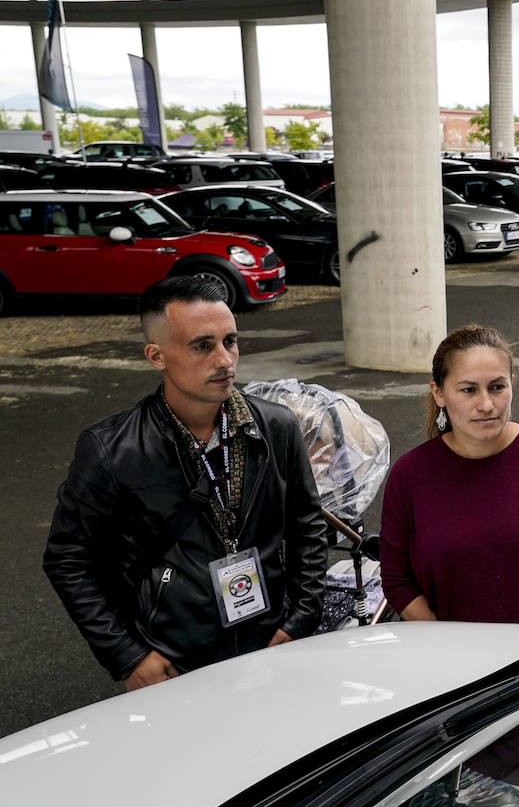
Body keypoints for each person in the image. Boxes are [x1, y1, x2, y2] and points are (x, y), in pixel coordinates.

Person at [42, 276, 328, 690]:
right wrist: (127, 655)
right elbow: (67, 560)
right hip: (173, 662)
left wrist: (300, 619)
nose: (225, 360)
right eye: (202, 345)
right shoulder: (111, 448)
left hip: (269, 644)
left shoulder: (276, 426)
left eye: (231, 341)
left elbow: (306, 525)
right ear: (156, 355)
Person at [380, 324, 519, 624]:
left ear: (512, 383)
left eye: (497, 387)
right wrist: (445, 646)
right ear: (438, 393)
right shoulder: (409, 475)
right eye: (468, 390)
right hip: (454, 665)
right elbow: (398, 580)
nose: (486, 404)